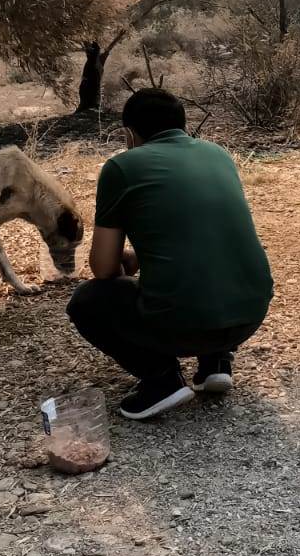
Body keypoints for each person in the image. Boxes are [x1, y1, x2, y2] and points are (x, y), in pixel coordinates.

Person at [66, 89, 272, 421]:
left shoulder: (122, 167)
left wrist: (127, 262)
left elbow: (104, 269)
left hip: (185, 323)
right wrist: (144, 256)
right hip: (249, 313)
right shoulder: (218, 154)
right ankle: (216, 362)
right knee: (211, 264)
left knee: (87, 301)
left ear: (129, 134)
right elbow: (197, 234)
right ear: (181, 123)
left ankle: (161, 379)